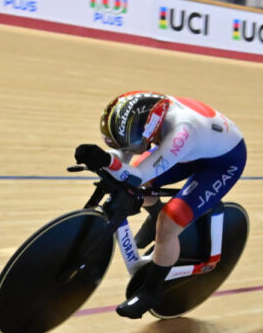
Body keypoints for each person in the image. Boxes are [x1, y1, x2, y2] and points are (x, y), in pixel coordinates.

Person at [74, 92, 246, 319]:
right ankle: (153, 216)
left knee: (169, 221)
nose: (135, 146)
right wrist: (109, 157)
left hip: (222, 162)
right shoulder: (142, 112)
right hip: (195, 147)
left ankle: (151, 290)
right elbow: (124, 150)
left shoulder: (183, 131)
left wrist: (107, 162)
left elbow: (136, 175)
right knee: (140, 187)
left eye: (138, 141)